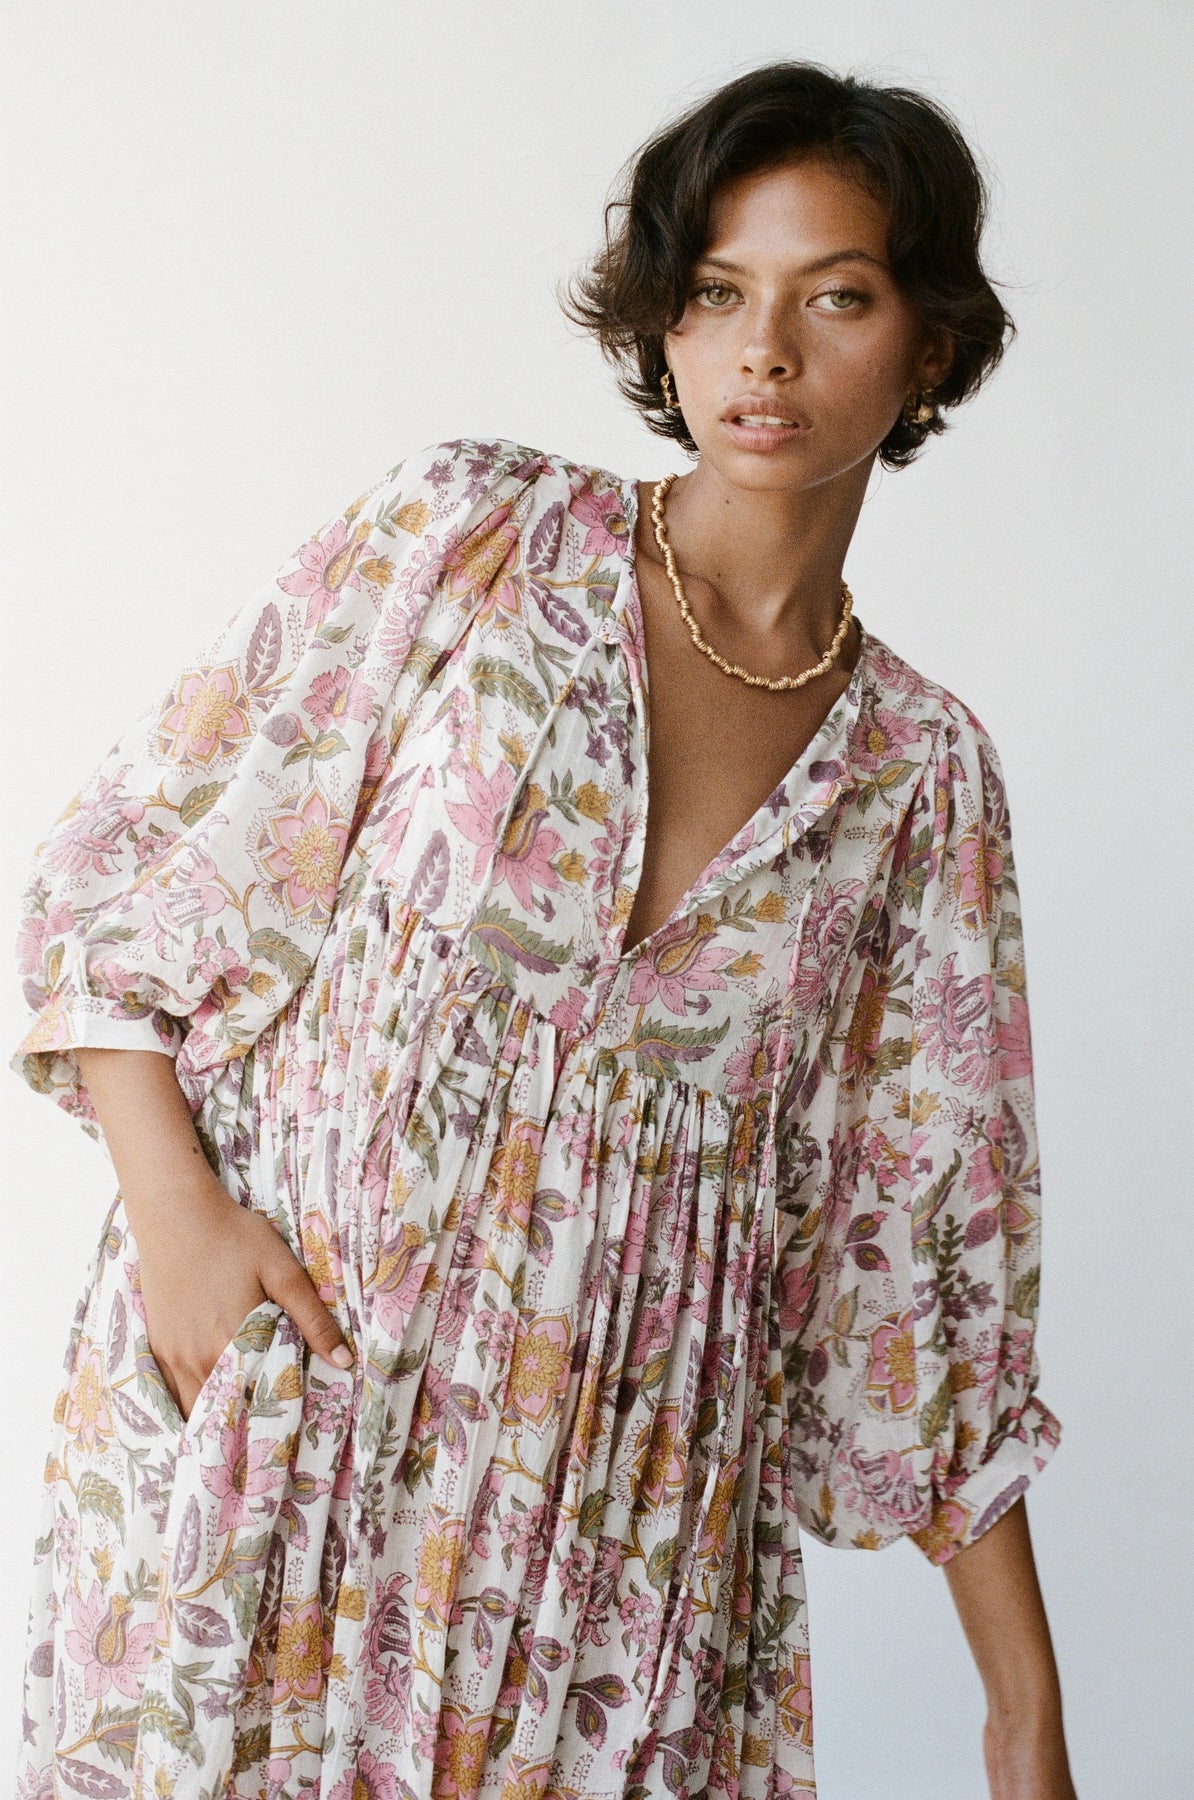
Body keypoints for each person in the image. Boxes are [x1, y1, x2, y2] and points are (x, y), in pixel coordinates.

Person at [9, 57, 1076, 1800]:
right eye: (716, 292)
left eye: (836, 298)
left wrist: (1022, 1713)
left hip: (608, 1563)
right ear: (661, 320)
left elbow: (924, 1264)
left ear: (930, 349)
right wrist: (177, 1217)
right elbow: (142, 857)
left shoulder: (919, 778)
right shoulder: (474, 536)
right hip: (278, 1433)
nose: (762, 353)